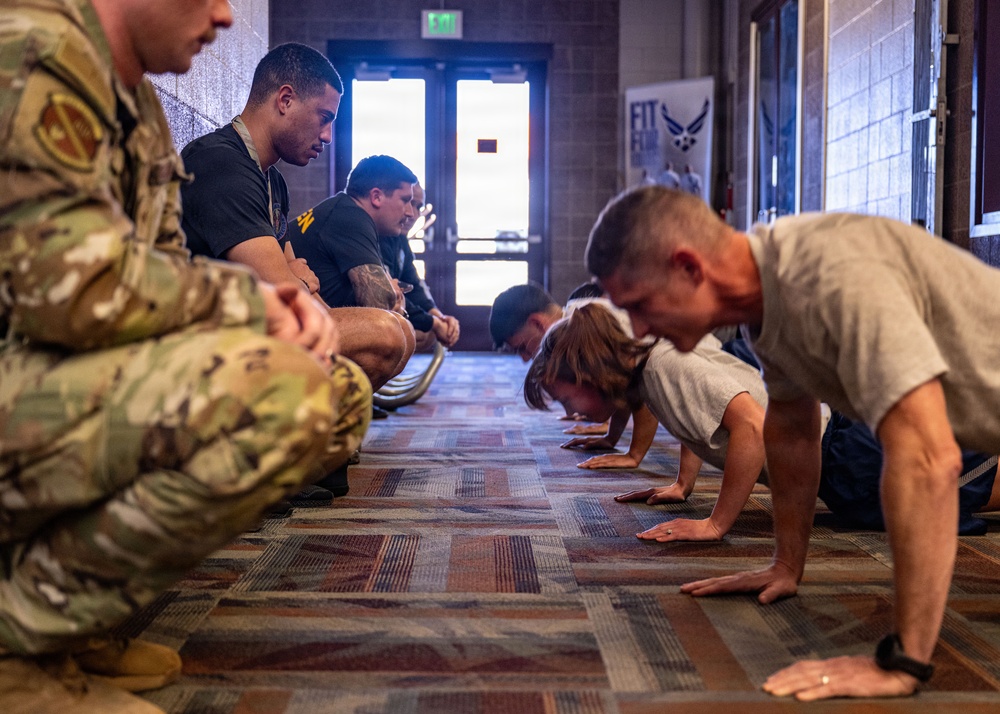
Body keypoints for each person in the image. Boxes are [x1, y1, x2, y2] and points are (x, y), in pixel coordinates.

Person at [0, 2, 371, 712]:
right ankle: (17, 648)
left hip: (52, 370)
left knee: (334, 391)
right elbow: (66, 286)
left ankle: (70, 621)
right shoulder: (35, 51)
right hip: (25, 363)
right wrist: (247, 306)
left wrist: (253, 325)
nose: (226, 13)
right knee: (280, 395)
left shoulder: (130, 96)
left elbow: (156, 271)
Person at [585, 184, 1000, 700]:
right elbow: (792, 426)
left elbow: (927, 459)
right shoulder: (770, 296)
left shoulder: (831, 276)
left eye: (639, 306)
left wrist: (904, 663)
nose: (641, 329)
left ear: (689, 268)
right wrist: (785, 563)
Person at [181, 44, 412, 394]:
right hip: (208, 343)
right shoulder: (221, 163)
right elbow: (286, 290)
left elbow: (301, 293)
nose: (327, 137)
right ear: (285, 100)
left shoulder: (272, 180)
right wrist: (297, 279)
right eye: (324, 118)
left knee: (398, 332)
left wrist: (299, 282)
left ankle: (311, 434)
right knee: (385, 333)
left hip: (258, 329)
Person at [523, 303, 769, 543]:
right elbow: (696, 416)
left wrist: (716, 524)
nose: (570, 411)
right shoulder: (646, 373)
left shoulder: (664, 366)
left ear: (590, 376)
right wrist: (683, 484)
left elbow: (753, 425)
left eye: (566, 399)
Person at [380, 183, 460, 350]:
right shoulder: (378, 235)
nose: (413, 214)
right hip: (357, 315)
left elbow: (413, 285)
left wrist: (439, 316)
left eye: (418, 206)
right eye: (407, 202)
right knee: (420, 331)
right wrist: (433, 323)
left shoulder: (400, 239)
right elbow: (387, 295)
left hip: (386, 313)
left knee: (428, 332)